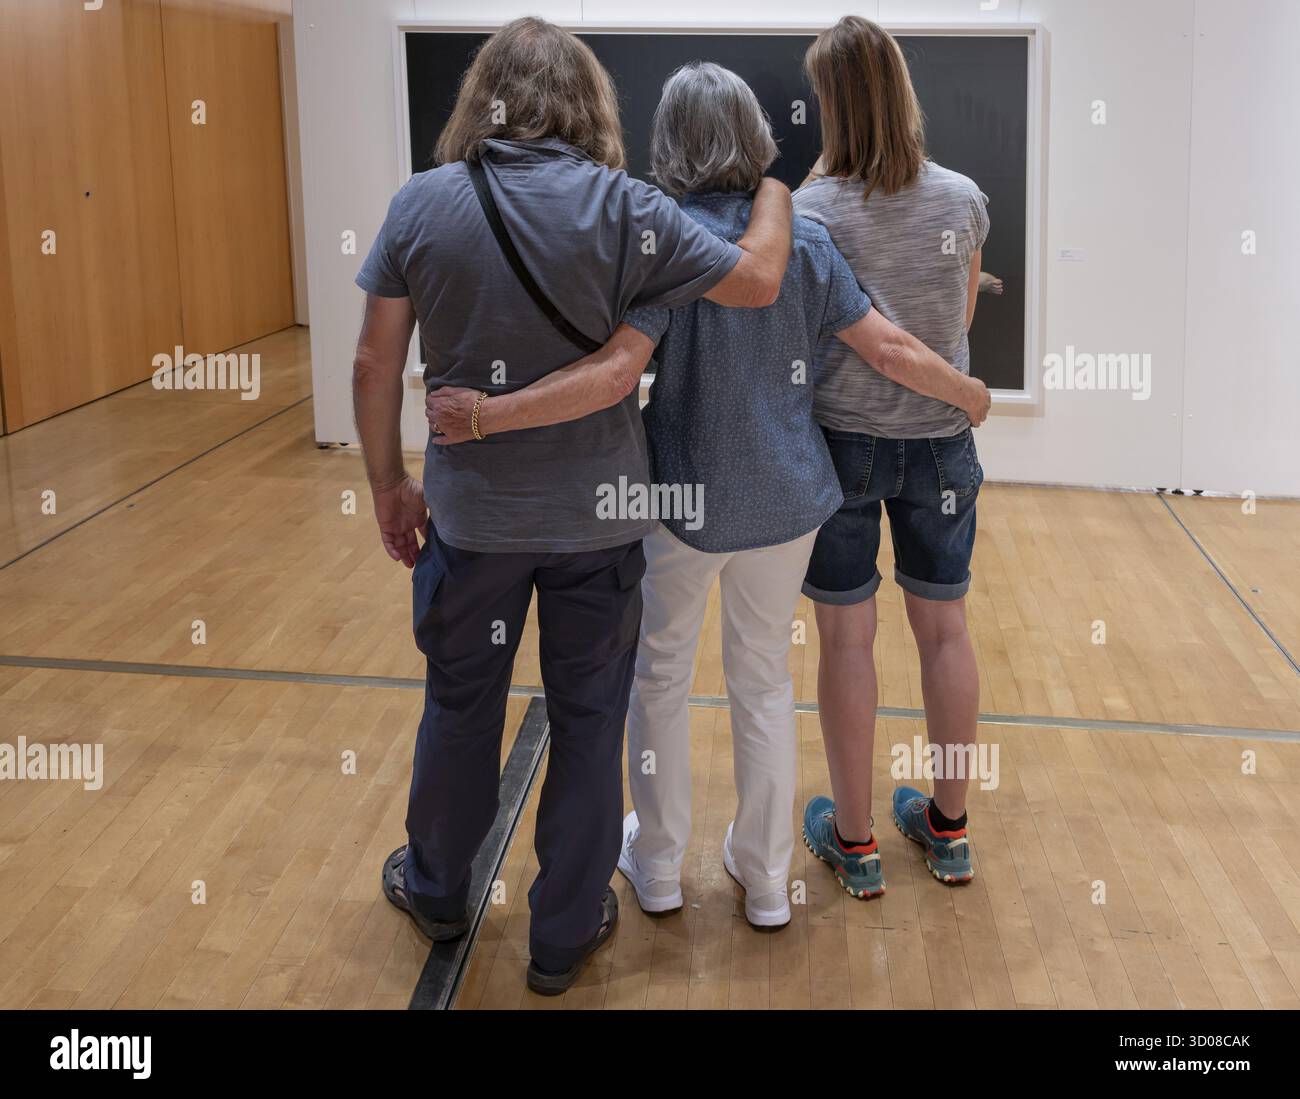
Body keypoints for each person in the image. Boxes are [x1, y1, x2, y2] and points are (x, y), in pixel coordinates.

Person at [429, 62, 988, 927]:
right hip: (787, 501)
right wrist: (966, 393)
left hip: (679, 505)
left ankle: (656, 869)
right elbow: (886, 347)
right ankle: (765, 881)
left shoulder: (659, 243)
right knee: (762, 682)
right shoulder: (803, 239)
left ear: (670, 142)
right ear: (756, 136)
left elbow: (617, 372)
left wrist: (490, 414)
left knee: (658, 680)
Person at [350, 17, 793, 995]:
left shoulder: (421, 204)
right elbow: (759, 281)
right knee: (590, 718)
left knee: (460, 707)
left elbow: (376, 360)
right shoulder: (631, 210)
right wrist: (773, 186)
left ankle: (436, 887)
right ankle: (564, 927)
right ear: (587, 105)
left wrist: (389, 483)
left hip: (472, 524)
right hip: (599, 521)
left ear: (483, 102)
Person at [795, 16, 992, 896]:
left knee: (847, 638)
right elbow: (962, 325)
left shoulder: (807, 210)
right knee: (944, 631)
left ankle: (858, 841)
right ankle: (948, 830)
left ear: (831, 106)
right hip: (941, 447)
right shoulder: (962, 199)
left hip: (840, 446)